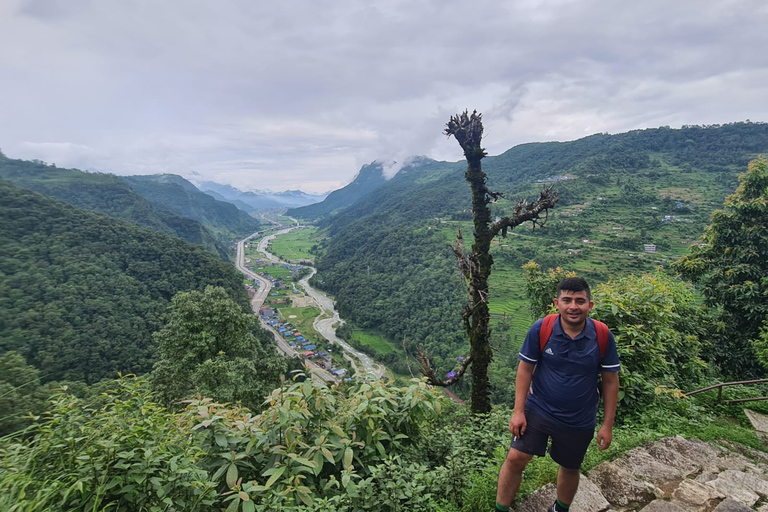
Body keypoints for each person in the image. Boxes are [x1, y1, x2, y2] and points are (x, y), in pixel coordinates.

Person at [494, 277, 620, 512]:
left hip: (579, 418)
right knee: (515, 459)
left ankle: (559, 509)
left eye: (580, 301)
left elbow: (611, 381)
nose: (573, 306)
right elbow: (525, 369)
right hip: (538, 408)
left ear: (590, 306)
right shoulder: (542, 329)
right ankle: (500, 509)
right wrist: (518, 411)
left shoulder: (602, 335)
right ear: (557, 303)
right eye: (567, 300)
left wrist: (607, 424)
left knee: (570, 466)